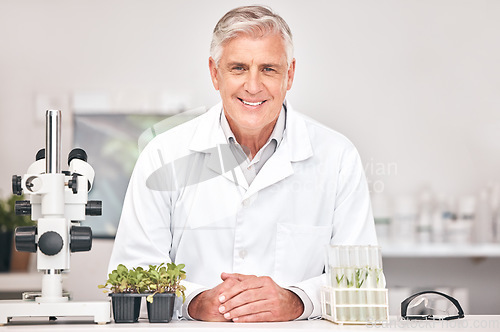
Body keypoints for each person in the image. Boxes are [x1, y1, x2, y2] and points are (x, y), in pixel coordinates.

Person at [108, 5, 377, 322]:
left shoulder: (337, 156)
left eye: (268, 69)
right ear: (214, 73)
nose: (252, 85)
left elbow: (362, 279)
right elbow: (132, 270)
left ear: (289, 74)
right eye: (238, 68)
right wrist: (194, 301)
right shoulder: (163, 155)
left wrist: (297, 300)